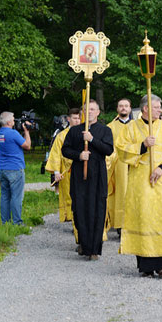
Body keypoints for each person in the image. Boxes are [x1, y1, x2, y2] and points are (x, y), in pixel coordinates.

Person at [117, 94, 162, 278]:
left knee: (161, 218)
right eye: (156, 107)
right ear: (145, 108)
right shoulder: (132, 127)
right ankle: (145, 264)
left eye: (159, 107)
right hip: (140, 181)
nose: (159, 110)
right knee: (143, 218)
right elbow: (121, 150)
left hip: (161, 181)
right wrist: (142, 146)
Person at [62, 100, 113, 260]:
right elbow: (65, 149)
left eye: (93, 109)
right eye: (86, 109)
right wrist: (79, 155)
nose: (89, 112)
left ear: (98, 112)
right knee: (80, 209)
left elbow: (108, 149)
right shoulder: (75, 130)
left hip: (97, 175)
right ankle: (84, 244)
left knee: (97, 210)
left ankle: (94, 249)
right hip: (79, 176)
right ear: (82, 112)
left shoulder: (105, 130)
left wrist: (91, 140)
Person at [45, 108, 81, 224]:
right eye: (75, 118)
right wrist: (56, 172)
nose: (77, 120)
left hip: (81, 170)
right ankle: (72, 218)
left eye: (79, 118)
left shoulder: (84, 133)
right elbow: (55, 154)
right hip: (67, 171)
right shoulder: (61, 136)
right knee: (69, 195)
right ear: (69, 119)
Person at [0, 111, 32, 225]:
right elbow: (27, 146)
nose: (14, 120)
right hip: (15, 168)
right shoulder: (13, 133)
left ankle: (5, 222)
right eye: (13, 118)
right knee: (16, 196)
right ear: (8, 121)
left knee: (5, 196)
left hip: (3, 168)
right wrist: (27, 131)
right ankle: (17, 222)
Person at [106, 98, 132, 235]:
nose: (123, 108)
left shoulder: (136, 125)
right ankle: (120, 225)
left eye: (126, 106)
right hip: (118, 165)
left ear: (130, 108)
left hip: (134, 164)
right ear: (117, 109)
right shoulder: (110, 127)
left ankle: (133, 224)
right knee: (120, 194)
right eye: (121, 106)